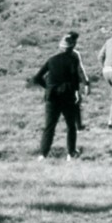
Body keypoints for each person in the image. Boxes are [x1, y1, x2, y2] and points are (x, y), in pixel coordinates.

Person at [34, 33, 84, 161]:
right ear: (72, 47)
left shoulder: (51, 60)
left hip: (52, 96)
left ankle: (42, 154)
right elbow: (74, 78)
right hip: (67, 95)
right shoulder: (73, 60)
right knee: (71, 126)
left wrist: (48, 87)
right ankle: (70, 153)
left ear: (60, 47)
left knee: (49, 126)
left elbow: (37, 78)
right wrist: (77, 92)